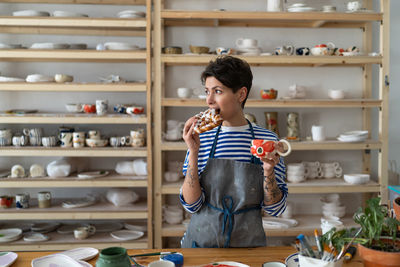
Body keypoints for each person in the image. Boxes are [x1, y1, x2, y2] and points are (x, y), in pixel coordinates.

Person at [180, 56, 288, 248]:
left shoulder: (266, 141)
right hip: (201, 247)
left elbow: (275, 209)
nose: (209, 101)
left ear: (241, 94)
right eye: (207, 92)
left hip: (248, 249)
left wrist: (269, 170)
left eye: (218, 91)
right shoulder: (200, 138)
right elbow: (191, 205)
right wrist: (193, 153)